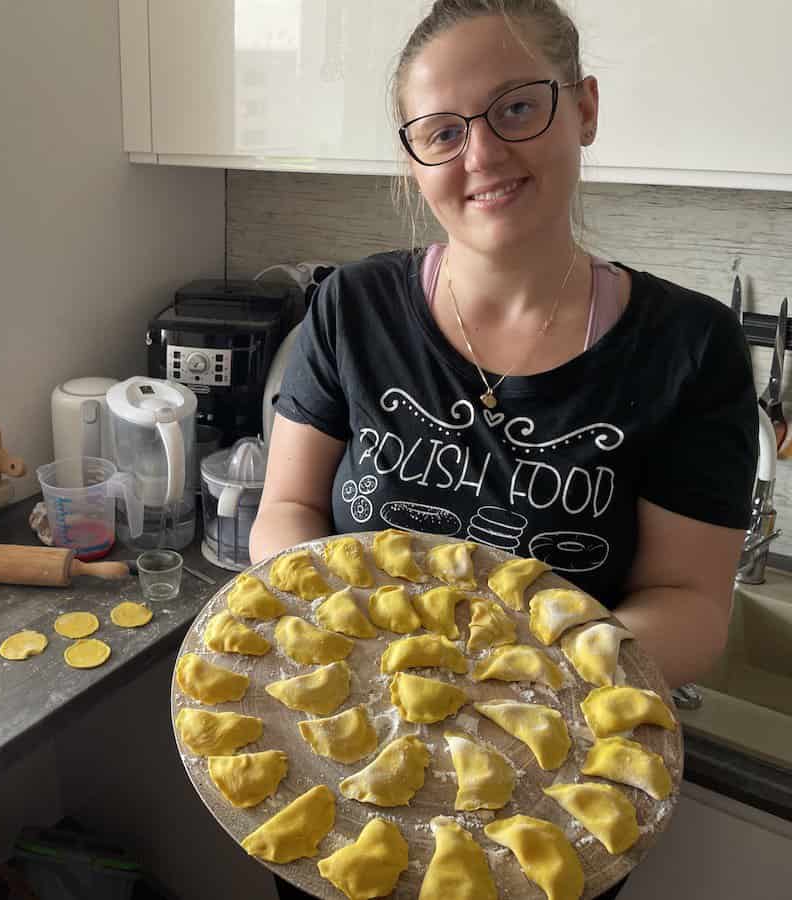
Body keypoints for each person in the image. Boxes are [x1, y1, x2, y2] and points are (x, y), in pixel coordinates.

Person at [253, 1, 757, 897]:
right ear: (413, 160)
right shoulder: (352, 307)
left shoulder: (687, 345)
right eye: (441, 131)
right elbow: (286, 511)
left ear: (584, 108)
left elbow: (690, 606)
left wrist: (512, 685)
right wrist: (349, 654)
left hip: (550, 799)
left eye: (517, 108)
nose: (480, 155)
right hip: (348, 786)